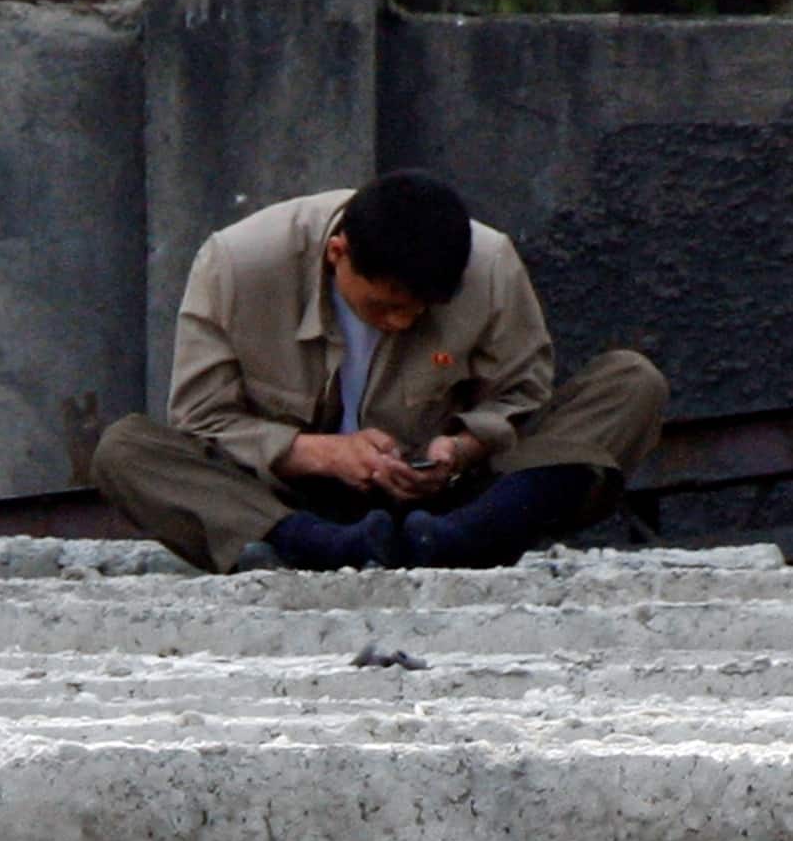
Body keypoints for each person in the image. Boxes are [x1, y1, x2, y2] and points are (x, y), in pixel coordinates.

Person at [91, 170, 666, 573]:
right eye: (385, 305)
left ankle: (463, 540)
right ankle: (319, 547)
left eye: (421, 310)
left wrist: (458, 451)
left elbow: (523, 397)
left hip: (450, 506)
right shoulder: (237, 265)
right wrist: (321, 454)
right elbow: (202, 420)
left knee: (631, 384)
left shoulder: (489, 266)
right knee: (124, 450)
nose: (401, 321)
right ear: (337, 253)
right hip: (288, 504)